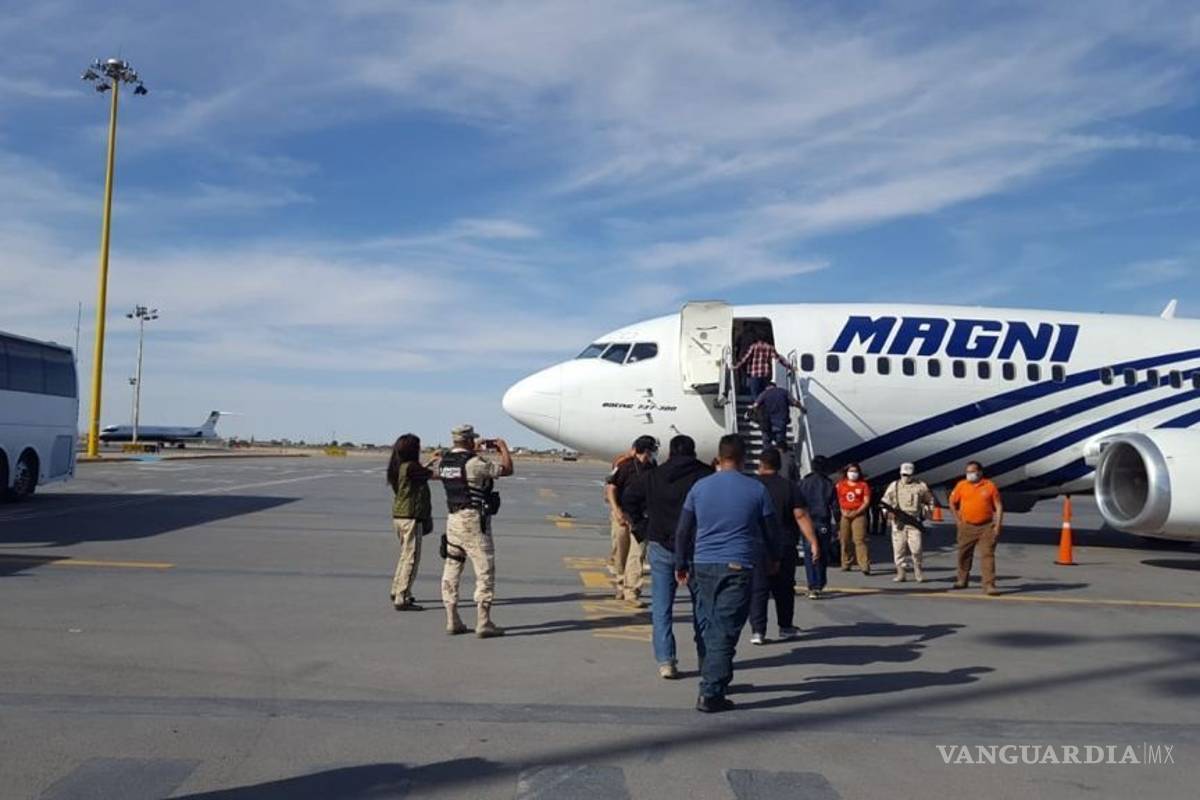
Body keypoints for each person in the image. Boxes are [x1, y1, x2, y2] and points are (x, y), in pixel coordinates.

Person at [675, 434, 783, 713]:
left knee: (708, 623)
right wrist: (774, 558)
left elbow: (684, 529)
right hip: (737, 565)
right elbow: (771, 530)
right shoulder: (756, 489)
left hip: (702, 563)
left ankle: (713, 674)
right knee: (725, 629)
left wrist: (680, 563)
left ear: (719, 457)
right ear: (744, 458)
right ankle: (711, 692)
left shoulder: (700, 487)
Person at [621, 434, 713, 680]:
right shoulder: (705, 475)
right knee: (703, 607)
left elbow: (628, 498)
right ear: (693, 452)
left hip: (661, 543)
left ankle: (666, 661)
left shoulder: (653, 476)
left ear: (670, 453)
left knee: (662, 608)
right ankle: (706, 658)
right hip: (695, 547)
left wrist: (641, 526)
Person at [437, 424, 513, 637]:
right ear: (470, 440)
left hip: (453, 520)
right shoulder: (474, 463)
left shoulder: (445, 462)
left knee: (452, 566)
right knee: (484, 569)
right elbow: (506, 469)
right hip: (473, 521)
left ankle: (452, 618)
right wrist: (503, 448)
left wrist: (474, 451)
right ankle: (483, 621)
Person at [748, 448, 819, 645]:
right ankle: (785, 626)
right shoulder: (789, 487)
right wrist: (813, 541)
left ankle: (758, 631)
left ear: (760, 464)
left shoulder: (751, 486)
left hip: (757, 544)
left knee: (758, 589)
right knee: (785, 588)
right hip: (784, 543)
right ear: (779, 466)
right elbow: (800, 515)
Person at [606, 435, 657, 607]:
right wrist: (617, 510)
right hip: (622, 515)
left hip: (641, 517)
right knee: (621, 551)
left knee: (637, 554)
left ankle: (632, 591)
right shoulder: (624, 466)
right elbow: (611, 488)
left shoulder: (653, 468)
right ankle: (620, 583)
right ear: (645, 451)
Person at [385, 433, 435, 610]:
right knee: (412, 558)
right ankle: (402, 596)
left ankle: (397, 589)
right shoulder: (412, 467)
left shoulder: (399, 467)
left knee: (405, 555)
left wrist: (430, 461)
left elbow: (420, 473)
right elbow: (431, 475)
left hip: (399, 516)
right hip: (411, 516)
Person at [949, 460, 1004, 595]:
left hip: (986, 527)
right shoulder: (961, 485)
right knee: (964, 554)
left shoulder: (990, 486)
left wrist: (997, 526)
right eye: (967, 472)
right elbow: (952, 502)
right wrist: (958, 521)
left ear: (980, 472)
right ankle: (962, 579)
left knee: (987, 555)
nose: (969, 474)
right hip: (967, 526)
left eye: (972, 471)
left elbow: (998, 506)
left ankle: (989, 585)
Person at [881, 462, 935, 583]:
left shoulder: (921, 486)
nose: (906, 477)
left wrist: (926, 513)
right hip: (898, 521)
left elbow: (930, 500)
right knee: (898, 548)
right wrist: (887, 513)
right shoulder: (894, 485)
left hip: (914, 521)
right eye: (904, 475)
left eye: (908, 475)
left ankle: (918, 570)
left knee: (916, 548)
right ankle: (901, 572)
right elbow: (885, 501)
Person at [797, 455, 838, 598]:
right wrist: (838, 524)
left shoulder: (803, 483)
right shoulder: (829, 484)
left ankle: (812, 585)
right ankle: (819, 583)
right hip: (823, 522)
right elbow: (835, 507)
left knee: (809, 553)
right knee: (822, 553)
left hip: (806, 522)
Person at [837, 463, 872, 574]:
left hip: (858, 514)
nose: (853, 473)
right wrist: (843, 511)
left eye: (855, 471)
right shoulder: (841, 485)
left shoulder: (863, 485)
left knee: (859, 540)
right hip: (845, 514)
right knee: (845, 539)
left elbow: (866, 501)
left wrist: (857, 512)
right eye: (851, 471)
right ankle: (846, 562)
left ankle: (864, 565)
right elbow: (839, 499)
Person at [734, 336, 792, 401]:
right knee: (764, 394)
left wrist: (736, 366)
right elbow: (778, 358)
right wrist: (789, 366)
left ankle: (757, 405)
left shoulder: (754, 346)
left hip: (755, 373)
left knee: (755, 394)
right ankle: (764, 405)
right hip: (765, 374)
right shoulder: (770, 347)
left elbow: (745, 358)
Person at [750, 380, 797, 450]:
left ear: (767, 387)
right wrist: (802, 408)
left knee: (767, 445)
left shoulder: (764, 393)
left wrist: (758, 417)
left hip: (767, 424)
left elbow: (755, 405)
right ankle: (781, 455)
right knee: (781, 445)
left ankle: (768, 455)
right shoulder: (784, 392)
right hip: (781, 423)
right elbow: (795, 402)